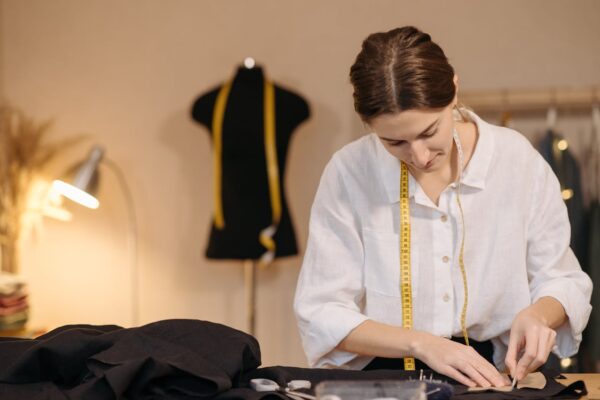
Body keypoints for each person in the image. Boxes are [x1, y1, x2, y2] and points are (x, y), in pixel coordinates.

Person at [293, 26, 592, 388]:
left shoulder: (516, 161)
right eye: (394, 142)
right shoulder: (350, 173)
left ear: (453, 89)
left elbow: (563, 280)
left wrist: (540, 315)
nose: (418, 156)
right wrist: (422, 344)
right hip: (386, 380)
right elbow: (320, 311)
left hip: (498, 375)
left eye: (429, 131)